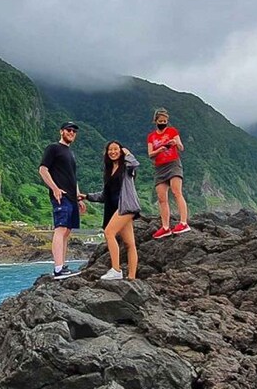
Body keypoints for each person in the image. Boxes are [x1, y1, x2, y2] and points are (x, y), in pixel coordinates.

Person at [80, 141, 141, 280]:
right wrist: (87, 196)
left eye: (116, 149)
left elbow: (135, 164)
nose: (113, 152)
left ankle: (116, 270)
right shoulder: (108, 170)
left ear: (120, 151)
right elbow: (104, 195)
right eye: (110, 150)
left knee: (109, 232)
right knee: (129, 243)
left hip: (126, 207)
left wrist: (128, 153)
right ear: (107, 152)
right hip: (114, 209)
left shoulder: (126, 167)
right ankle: (132, 277)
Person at [39, 121, 86, 279]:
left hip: (72, 197)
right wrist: (55, 188)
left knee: (67, 231)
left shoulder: (70, 153)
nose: (71, 133)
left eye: (74, 131)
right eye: (69, 130)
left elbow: (73, 178)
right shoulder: (53, 148)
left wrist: (79, 197)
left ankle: (62, 265)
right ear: (61, 131)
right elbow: (43, 169)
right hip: (61, 196)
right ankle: (58, 268)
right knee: (60, 229)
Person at [147, 107, 190, 238]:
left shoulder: (172, 131)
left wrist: (175, 143)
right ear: (156, 121)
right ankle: (165, 226)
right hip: (160, 167)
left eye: (165, 120)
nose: (163, 122)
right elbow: (150, 154)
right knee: (161, 198)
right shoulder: (151, 136)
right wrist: (159, 150)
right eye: (160, 120)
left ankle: (183, 222)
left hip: (173, 164)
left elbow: (181, 147)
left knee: (177, 192)